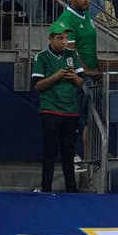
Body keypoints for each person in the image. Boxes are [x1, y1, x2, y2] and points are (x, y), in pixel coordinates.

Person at [33, 20, 85, 192]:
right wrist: (56, 76)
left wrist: (73, 78)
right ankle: (46, 188)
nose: (64, 42)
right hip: (50, 110)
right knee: (49, 152)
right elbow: (38, 85)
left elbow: (80, 81)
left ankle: (72, 190)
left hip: (70, 111)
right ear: (51, 38)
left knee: (68, 153)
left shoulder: (72, 55)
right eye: (60, 38)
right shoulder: (42, 57)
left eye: (66, 38)